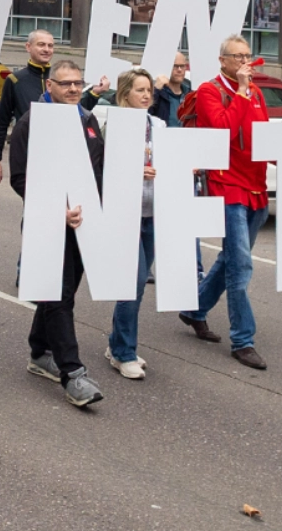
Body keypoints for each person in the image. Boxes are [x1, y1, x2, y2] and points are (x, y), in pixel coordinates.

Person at [178, 35, 282, 370]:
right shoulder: (212, 91)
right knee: (241, 264)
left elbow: (262, 139)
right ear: (222, 60)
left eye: (247, 56)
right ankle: (243, 340)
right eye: (237, 57)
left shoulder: (255, 93)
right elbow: (223, 130)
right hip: (227, 188)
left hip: (255, 188)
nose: (245, 63)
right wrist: (239, 92)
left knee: (231, 259)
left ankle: (194, 309)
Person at [8, 59, 105, 407]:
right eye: (66, 84)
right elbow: (19, 178)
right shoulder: (30, 123)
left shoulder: (88, 119)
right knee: (59, 297)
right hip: (47, 223)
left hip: (85, 223)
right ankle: (72, 373)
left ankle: (39, 351)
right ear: (49, 85)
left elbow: (100, 169)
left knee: (59, 293)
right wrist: (55, 211)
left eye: (78, 83)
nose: (74, 89)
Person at [102, 67, 162, 380]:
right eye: (140, 89)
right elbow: (104, 168)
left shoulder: (159, 124)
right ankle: (124, 352)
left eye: (149, 89)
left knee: (136, 286)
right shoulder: (115, 125)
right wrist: (134, 171)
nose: (147, 94)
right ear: (125, 93)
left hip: (153, 213)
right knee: (134, 281)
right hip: (125, 214)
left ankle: (117, 344)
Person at [0, 29, 56, 184]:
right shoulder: (15, 80)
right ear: (28, 47)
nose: (46, 49)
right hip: (27, 152)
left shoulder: (59, 79)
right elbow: (1, 121)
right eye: (41, 45)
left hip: (56, 151)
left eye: (50, 46)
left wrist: (94, 95)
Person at [151, 52, 191, 126]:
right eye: (175, 66)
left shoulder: (191, 94)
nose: (179, 70)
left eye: (182, 66)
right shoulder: (158, 94)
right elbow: (145, 115)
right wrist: (155, 91)